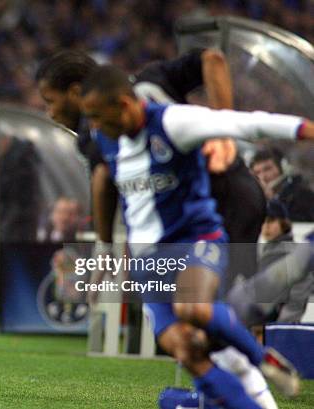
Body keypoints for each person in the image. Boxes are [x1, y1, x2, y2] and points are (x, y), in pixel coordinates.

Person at [37, 50, 274, 407]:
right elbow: (212, 57)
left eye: (50, 102)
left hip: (211, 210)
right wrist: (225, 127)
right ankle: (245, 387)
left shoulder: (97, 126)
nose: (50, 114)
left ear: (75, 91)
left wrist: (105, 248)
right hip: (238, 196)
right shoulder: (150, 79)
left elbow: (103, 180)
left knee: (203, 319)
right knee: (207, 321)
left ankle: (253, 389)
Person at [80, 64, 313, 408]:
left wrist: (303, 128)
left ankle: (262, 359)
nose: (95, 126)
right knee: (187, 350)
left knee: (194, 307)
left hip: (197, 240)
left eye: (99, 116)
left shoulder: (174, 122)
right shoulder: (106, 140)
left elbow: (244, 123)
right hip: (148, 261)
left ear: (125, 105)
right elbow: (102, 183)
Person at [250, 148, 314, 222]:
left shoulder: (303, 194)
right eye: (257, 172)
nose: (263, 177)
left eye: (267, 169)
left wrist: (272, 201)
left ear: (283, 168)